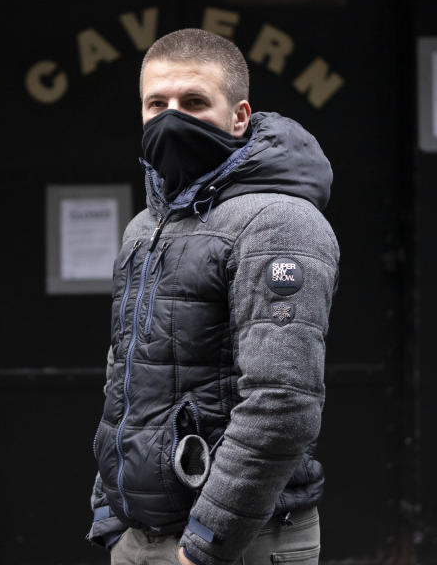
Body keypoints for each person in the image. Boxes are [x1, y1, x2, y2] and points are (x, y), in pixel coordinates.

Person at [87, 28, 339, 565]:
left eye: (195, 102)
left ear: (239, 116)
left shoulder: (278, 222)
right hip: (139, 538)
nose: (171, 116)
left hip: (237, 544)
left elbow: (282, 404)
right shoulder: (145, 228)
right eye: (157, 103)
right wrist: (109, 515)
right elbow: (126, 380)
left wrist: (203, 545)